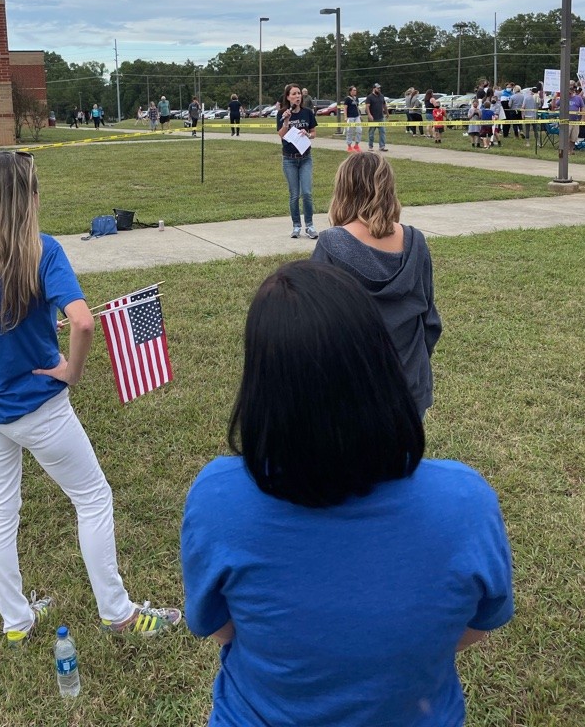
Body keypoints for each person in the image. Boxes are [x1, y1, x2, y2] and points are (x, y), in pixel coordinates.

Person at [182, 261, 513, 727]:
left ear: (261, 385)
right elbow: (475, 627)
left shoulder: (216, 500)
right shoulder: (466, 504)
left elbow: (219, 627)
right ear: (379, 364)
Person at [0, 151, 181, 645]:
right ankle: (118, 613)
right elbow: (84, 320)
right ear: (28, 198)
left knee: (1, 515)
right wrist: (70, 372)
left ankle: (17, 622)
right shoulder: (42, 250)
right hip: (36, 410)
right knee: (93, 498)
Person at [311, 150, 441, 417]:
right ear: (388, 189)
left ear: (344, 189)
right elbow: (430, 321)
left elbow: (316, 327)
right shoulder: (415, 242)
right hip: (410, 387)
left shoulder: (330, 244)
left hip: (350, 390)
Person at [277, 83, 318, 240]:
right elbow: (281, 135)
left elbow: (314, 133)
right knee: (294, 195)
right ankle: (296, 226)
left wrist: (307, 133)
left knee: (306, 193)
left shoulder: (307, 113)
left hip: (305, 158)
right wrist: (286, 121)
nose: (297, 96)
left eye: (299, 93)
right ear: (288, 97)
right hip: (289, 160)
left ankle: (310, 226)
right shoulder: (282, 113)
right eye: (294, 94)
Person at [365, 82, 388, 152]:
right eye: (378, 88)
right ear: (374, 88)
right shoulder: (369, 97)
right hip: (373, 118)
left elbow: (384, 105)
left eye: (379, 88)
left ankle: (382, 146)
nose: (379, 89)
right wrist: (369, 115)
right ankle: (370, 146)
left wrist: (387, 112)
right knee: (371, 133)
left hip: (381, 117)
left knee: (382, 132)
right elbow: (367, 107)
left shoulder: (381, 96)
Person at [343, 85, 362, 152]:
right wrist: (345, 117)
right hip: (350, 117)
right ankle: (349, 145)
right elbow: (345, 108)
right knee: (349, 131)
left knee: (359, 130)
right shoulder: (347, 99)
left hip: (356, 116)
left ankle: (356, 145)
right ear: (350, 91)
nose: (355, 91)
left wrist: (360, 115)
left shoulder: (356, 98)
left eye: (355, 90)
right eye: (354, 90)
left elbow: (357, 107)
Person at [568, 85, 585, 150]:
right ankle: (566, 150)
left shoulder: (578, 98)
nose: (570, 92)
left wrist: (583, 118)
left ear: (573, 91)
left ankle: (571, 150)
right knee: (566, 136)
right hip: (566, 121)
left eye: (571, 90)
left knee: (574, 137)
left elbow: (582, 107)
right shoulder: (564, 98)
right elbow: (556, 105)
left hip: (576, 120)